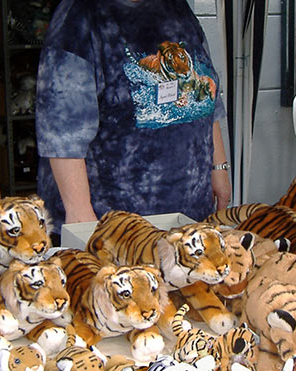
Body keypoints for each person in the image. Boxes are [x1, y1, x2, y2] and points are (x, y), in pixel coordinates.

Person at [35, 0, 231, 239]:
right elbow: (61, 131)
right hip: (118, 229)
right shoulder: (80, 16)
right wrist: (81, 219)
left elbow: (207, 94)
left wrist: (218, 167)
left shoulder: (178, 8)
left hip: (190, 219)